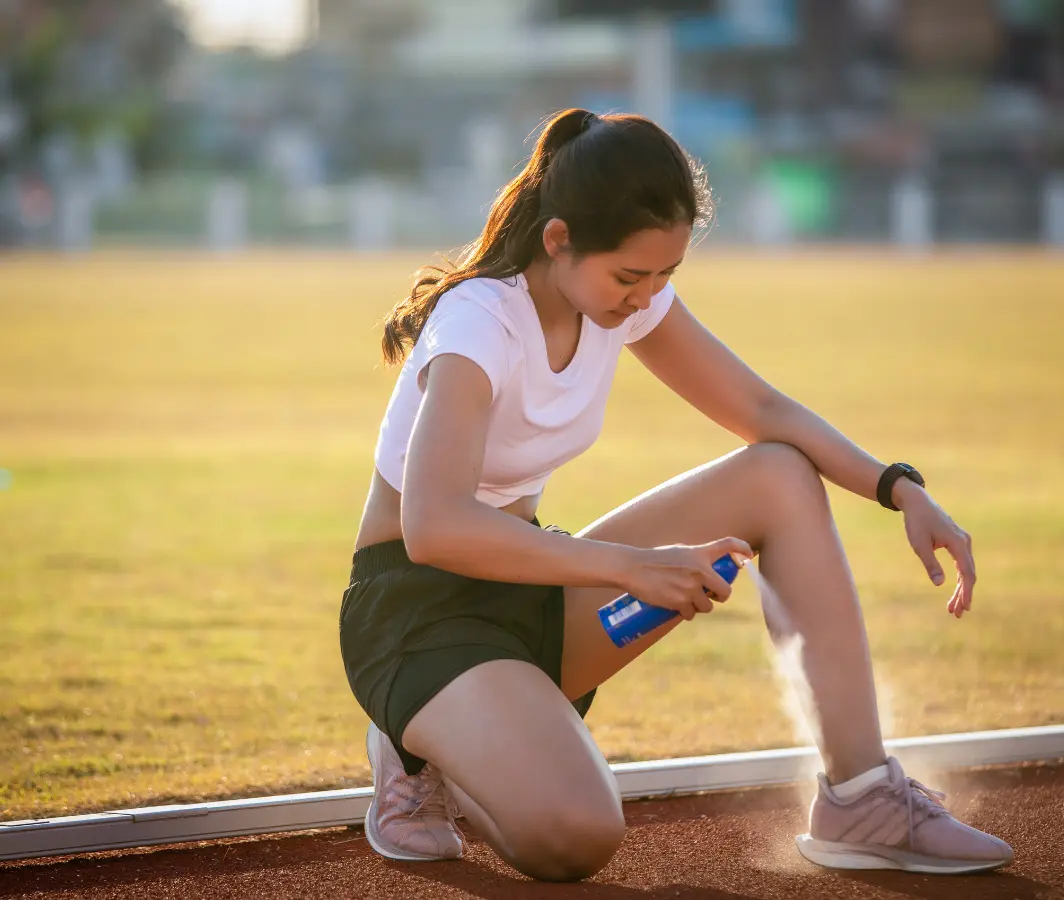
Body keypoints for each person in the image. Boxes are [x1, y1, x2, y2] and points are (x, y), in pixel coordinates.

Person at [338, 108, 1013, 882]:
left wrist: (899, 489)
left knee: (778, 474)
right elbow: (434, 528)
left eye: (667, 276)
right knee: (577, 837)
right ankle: (417, 747)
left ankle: (861, 796)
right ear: (559, 240)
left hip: (527, 594)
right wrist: (633, 567)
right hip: (418, 616)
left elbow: (763, 412)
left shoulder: (623, 300)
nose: (647, 297)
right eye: (631, 276)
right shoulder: (480, 323)